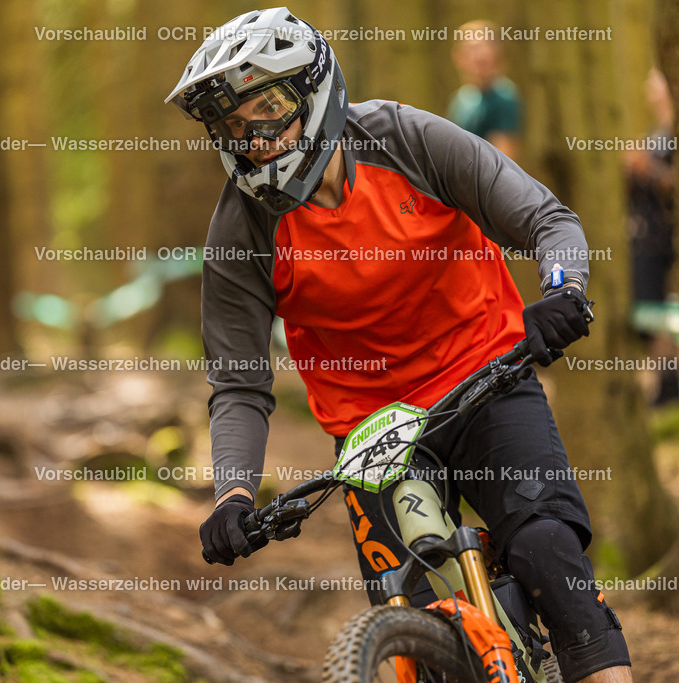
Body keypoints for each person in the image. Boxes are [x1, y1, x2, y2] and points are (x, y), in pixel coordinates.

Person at [166, 8, 632, 682]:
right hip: (370, 432)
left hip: (485, 374)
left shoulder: (404, 139)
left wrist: (563, 290)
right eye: (235, 125)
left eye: (266, 108)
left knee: (546, 549)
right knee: (414, 619)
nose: (255, 137)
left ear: (314, 91)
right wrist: (232, 495)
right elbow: (239, 384)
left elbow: (545, 218)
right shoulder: (239, 233)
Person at [624, 68, 678, 405]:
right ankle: (662, 388)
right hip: (645, 243)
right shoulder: (656, 132)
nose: (650, 90)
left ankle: (668, 388)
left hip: (670, 243)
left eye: (656, 83)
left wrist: (648, 169)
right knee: (650, 319)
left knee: (667, 317)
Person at [447, 20, 522, 161]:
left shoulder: (504, 96)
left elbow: (503, 160)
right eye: (471, 49)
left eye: (483, 48)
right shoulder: (460, 98)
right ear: (458, 56)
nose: (479, 55)